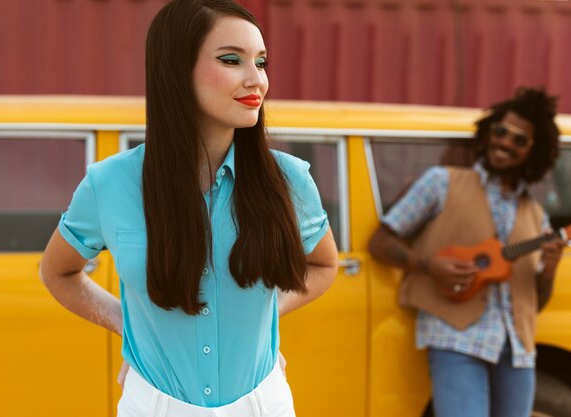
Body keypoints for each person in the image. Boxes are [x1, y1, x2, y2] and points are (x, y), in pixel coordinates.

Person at [39, 1, 339, 416]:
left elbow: (324, 265)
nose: (258, 80)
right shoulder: (108, 184)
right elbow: (58, 272)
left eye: (262, 62)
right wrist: (135, 330)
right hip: (154, 405)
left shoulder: (288, 180)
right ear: (176, 69)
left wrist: (261, 322)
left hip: (261, 403)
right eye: (232, 60)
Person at [367, 87, 566, 417]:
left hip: (517, 350)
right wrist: (431, 267)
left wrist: (550, 267)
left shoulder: (536, 215)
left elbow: (536, 303)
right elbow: (380, 242)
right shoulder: (440, 183)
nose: (505, 143)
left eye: (519, 140)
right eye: (501, 132)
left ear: (535, 151)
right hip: (455, 338)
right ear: (488, 133)